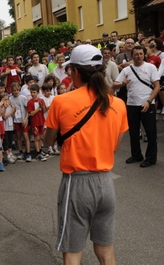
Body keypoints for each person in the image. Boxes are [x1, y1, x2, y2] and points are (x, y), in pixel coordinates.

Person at [45, 44, 128, 265]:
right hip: (106, 183)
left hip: (77, 183)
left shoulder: (61, 102)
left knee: (73, 251)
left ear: (74, 71)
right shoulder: (118, 104)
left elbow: (48, 141)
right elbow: (115, 147)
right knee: (105, 250)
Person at [113, 45, 160, 168]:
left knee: (150, 132)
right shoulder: (126, 70)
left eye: (141, 54)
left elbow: (157, 87)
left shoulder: (151, 67)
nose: (138, 56)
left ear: (144, 54)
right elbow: (115, 84)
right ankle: (136, 155)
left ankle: (151, 157)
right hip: (131, 104)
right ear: (131, 56)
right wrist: (122, 84)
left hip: (147, 104)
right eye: (136, 54)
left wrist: (149, 101)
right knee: (133, 132)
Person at [27, 84, 47, 161]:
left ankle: (40, 150)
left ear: (38, 92)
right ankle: (38, 152)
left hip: (41, 121)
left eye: (34, 92)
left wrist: (42, 107)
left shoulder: (41, 100)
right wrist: (38, 108)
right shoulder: (30, 102)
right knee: (36, 137)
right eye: (31, 92)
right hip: (35, 122)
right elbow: (31, 113)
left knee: (41, 137)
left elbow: (44, 111)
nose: (32, 94)